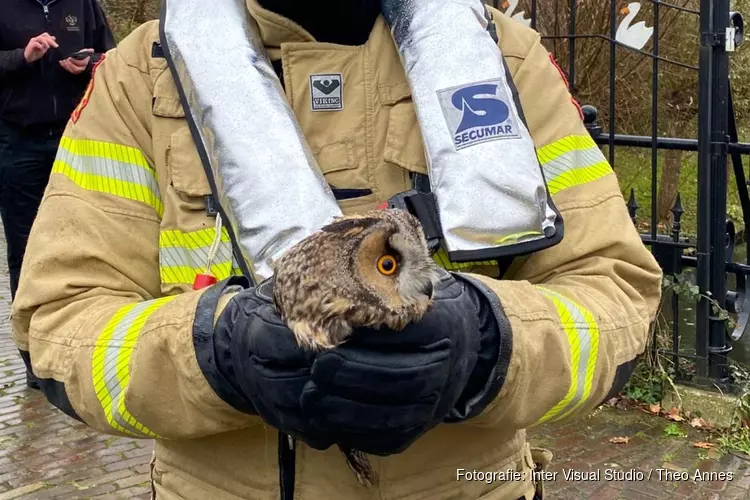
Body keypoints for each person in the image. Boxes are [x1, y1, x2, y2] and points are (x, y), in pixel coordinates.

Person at [11, 0, 663, 498]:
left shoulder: (503, 62)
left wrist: (487, 342)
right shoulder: (143, 75)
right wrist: (217, 351)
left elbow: (617, 302)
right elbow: (57, 329)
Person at [0, 0, 115, 389]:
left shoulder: (82, 4)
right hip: (17, 142)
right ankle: (33, 356)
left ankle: (83, 345)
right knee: (26, 248)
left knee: (85, 243)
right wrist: (22, 56)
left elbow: (113, 58)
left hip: (76, 138)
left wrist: (91, 62)